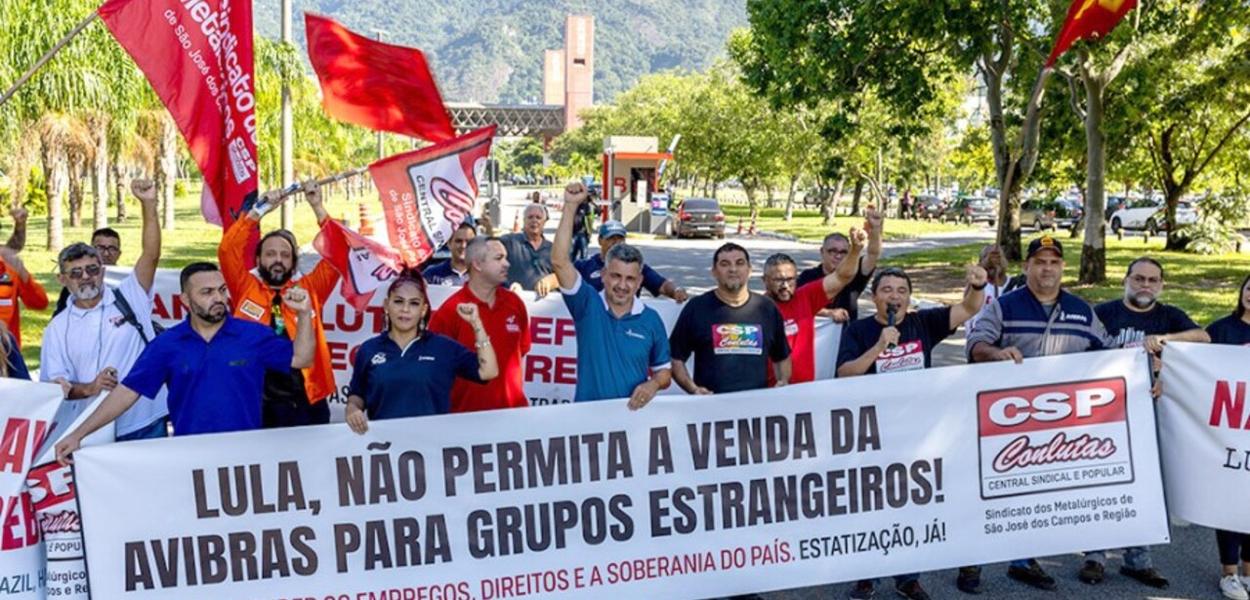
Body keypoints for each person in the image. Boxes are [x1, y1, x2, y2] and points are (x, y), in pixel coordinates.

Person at [962, 235, 1111, 593]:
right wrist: (996, 354)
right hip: (1006, 419)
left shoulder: (1082, 311)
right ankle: (970, 560)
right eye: (1040, 262)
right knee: (992, 491)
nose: (1047, 268)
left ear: (1063, 267)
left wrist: (1144, 374)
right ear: (1026, 266)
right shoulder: (1004, 306)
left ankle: (1024, 561)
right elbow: (975, 344)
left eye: (1054, 262)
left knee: (1039, 493)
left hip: (1060, 424)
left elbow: (1110, 355)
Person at [54, 262, 316, 463]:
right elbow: (127, 392)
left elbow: (302, 357)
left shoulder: (252, 335)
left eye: (222, 290)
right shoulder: (168, 344)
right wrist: (78, 434)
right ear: (186, 300)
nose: (218, 298)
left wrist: (304, 314)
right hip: (189, 458)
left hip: (246, 455)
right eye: (207, 292)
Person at [1075, 257, 1203, 588]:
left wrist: (1166, 346)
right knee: (1103, 481)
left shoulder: (1169, 316)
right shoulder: (1104, 313)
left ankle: (1138, 559)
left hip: (1149, 410)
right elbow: (1081, 353)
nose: (1145, 285)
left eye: (1152, 280)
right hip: (1107, 412)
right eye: (1139, 278)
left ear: (1161, 285)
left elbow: (1203, 338)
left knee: (1146, 483)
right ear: (1126, 280)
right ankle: (1095, 555)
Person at [40, 179, 168, 441]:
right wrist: (90, 388)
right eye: (76, 273)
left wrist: (148, 204)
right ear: (62, 280)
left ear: (103, 271)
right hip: (92, 430)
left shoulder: (130, 295)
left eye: (92, 269)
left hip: (145, 422)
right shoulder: (57, 328)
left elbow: (151, 255)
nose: (86, 277)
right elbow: (55, 385)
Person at [219, 182, 339, 428]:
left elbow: (337, 252)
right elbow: (227, 250)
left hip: (306, 399)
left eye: (285, 255)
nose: (278, 260)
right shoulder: (244, 286)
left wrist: (317, 206)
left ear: (293, 262)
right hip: (256, 399)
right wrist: (258, 211)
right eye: (270, 254)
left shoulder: (310, 289)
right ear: (258, 259)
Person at [551, 183, 671, 406]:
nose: (622, 285)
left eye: (630, 279)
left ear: (639, 282)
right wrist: (570, 206)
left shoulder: (651, 319)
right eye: (616, 276)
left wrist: (653, 384)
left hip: (632, 420)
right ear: (604, 275)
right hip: (587, 419)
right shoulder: (587, 304)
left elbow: (664, 371)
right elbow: (559, 262)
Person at [344, 273, 498, 433]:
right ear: (386, 305)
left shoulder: (443, 347)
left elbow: (488, 372)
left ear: (423, 310)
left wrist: (476, 324)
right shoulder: (369, 349)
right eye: (398, 301)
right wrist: (352, 409)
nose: (405, 309)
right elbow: (357, 394)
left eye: (414, 303)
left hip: (432, 444)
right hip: (384, 444)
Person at [669, 243, 791, 395]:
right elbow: (675, 358)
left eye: (739, 263)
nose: (733, 269)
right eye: (725, 264)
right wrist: (693, 389)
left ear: (750, 270)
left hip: (757, 406)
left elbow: (781, 356)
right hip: (710, 406)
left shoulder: (767, 308)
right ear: (714, 272)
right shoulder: (696, 308)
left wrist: (783, 382)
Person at [428, 236, 531, 412]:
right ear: (477, 264)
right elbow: (435, 371)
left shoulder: (515, 304)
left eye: (506, 258)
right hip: (466, 418)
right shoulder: (450, 311)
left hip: (512, 416)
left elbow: (522, 355)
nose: (507, 264)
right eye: (498, 258)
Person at [762, 228, 864, 385]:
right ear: (765, 280)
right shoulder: (755, 309)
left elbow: (842, 276)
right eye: (778, 280)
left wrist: (855, 250)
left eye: (790, 279)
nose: (785, 286)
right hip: (768, 391)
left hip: (805, 391)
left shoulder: (806, 297)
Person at [1205, 273, 1250, 600]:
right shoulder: (1221, 330)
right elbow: (1194, 367)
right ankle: (1229, 573)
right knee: (1229, 501)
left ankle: (1248, 571)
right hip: (1227, 431)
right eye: (1249, 288)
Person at [796, 208, 883, 323]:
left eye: (843, 252)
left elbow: (873, 254)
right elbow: (796, 305)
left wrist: (876, 228)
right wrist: (828, 313)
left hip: (847, 333)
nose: (838, 256)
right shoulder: (808, 276)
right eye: (832, 251)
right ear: (822, 251)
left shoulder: (855, 273)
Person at [575, 220, 688, 302]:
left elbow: (662, 285)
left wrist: (675, 292)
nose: (616, 243)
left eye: (620, 238)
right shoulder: (584, 267)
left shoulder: (636, 267)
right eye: (611, 238)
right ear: (600, 240)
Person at [54, 225, 124, 314]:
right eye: (100, 248)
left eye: (112, 249)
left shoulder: (127, 282)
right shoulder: (76, 282)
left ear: (119, 253)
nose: (106, 253)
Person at [500, 203, 558, 295]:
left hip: (547, 302)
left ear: (544, 222)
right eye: (530, 217)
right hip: (516, 299)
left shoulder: (554, 249)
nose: (534, 220)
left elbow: (567, 276)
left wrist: (552, 280)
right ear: (524, 220)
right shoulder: (509, 242)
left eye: (538, 217)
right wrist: (508, 285)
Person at [965, 244, 1010, 332]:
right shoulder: (978, 286)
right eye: (988, 256)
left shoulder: (1015, 285)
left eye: (999, 257)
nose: (995, 260)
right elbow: (966, 305)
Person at [423, 222, 476, 286]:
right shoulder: (431, 274)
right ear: (449, 244)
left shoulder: (483, 275)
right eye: (458, 241)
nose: (463, 246)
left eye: (468, 242)